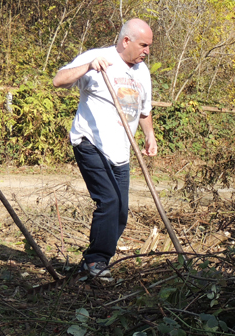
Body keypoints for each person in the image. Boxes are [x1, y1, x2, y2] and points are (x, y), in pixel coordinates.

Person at [53, 19, 157, 279]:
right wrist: (88, 66)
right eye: (143, 45)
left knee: (120, 210)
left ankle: (95, 263)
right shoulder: (99, 58)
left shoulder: (142, 72)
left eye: (149, 46)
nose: (147, 51)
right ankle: (96, 261)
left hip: (121, 152)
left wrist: (150, 135)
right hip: (90, 143)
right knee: (108, 200)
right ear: (126, 41)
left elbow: (144, 110)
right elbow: (59, 80)